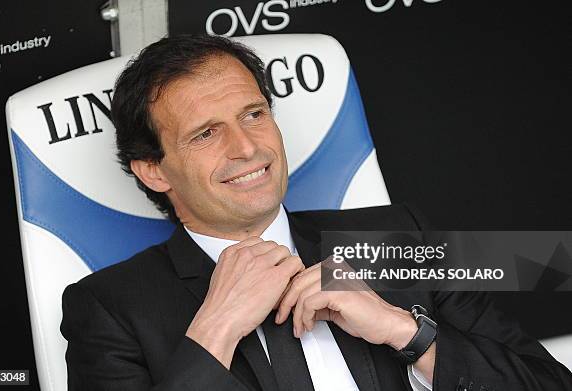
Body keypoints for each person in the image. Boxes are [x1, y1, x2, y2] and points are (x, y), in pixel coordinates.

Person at [60, 35, 572, 391]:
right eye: (206, 133)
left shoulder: (396, 238)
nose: (247, 148)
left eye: (254, 114)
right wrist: (214, 330)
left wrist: (408, 334)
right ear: (154, 171)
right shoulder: (109, 309)